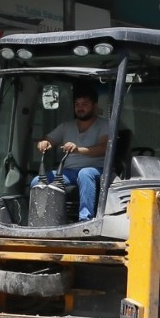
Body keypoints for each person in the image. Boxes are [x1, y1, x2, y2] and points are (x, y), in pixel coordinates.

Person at [37, 81, 111, 221]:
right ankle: (42, 218)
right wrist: (44, 143)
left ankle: (85, 219)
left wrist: (77, 149)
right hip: (68, 172)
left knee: (85, 173)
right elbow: (48, 140)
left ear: (95, 106)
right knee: (38, 180)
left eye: (84, 104)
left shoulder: (104, 125)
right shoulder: (66, 126)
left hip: (98, 170)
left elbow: (104, 149)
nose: (80, 108)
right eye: (77, 104)